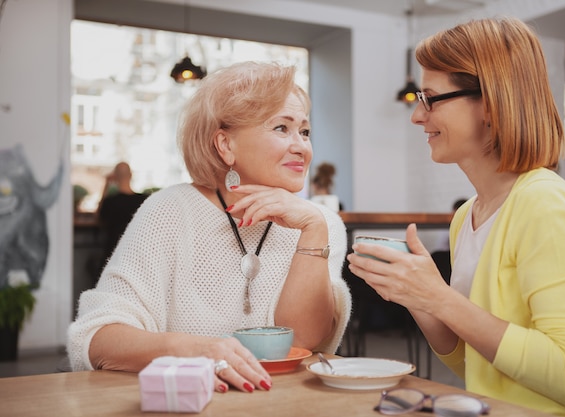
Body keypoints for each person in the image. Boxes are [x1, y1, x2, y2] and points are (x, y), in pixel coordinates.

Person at [347, 17, 565, 415]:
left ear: (489, 104)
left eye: (431, 98)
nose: (417, 116)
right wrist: (419, 297)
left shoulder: (547, 206)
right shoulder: (468, 216)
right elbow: (472, 362)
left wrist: (439, 297)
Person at [67, 62, 352, 394]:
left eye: (304, 131)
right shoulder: (169, 210)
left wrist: (313, 231)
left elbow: (302, 341)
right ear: (225, 145)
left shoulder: (320, 222)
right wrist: (194, 351)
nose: (301, 146)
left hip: (288, 405)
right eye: (281, 128)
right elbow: (97, 338)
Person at [96, 162, 148, 265]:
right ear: (131, 175)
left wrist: (106, 186)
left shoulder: (110, 202)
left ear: (114, 177)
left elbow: (99, 218)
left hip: (113, 254)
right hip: (137, 254)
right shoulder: (144, 200)